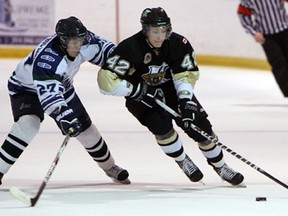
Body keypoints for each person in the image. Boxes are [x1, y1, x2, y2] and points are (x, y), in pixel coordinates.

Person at [97, 7, 244, 186]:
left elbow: (185, 74)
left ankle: (221, 166)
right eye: (154, 31)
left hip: (171, 90)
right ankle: (182, 160)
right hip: (140, 97)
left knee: (200, 125)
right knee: (162, 129)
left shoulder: (178, 43)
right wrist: (135, 91)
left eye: (163, 31)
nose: (160, 36)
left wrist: (186, 101)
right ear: (145, 30)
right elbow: (106, 81)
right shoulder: (130, 48)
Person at [0, 16, 130, 185]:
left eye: (80, 40)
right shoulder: (48, 59)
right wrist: (64, 116)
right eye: (73, 42)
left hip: (63, 86)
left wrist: (133, 71)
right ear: (62, 41)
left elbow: (112, 56)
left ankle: (110, 167)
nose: (78, 46)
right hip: (25, 88)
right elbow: (50, 97)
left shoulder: (87, 41)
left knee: (87, 132)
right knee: (28, 125)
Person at [237, 0, 288, 97]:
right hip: (267, 37)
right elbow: (242, 13)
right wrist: (253, 32)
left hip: (285, 30)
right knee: (278, 63)